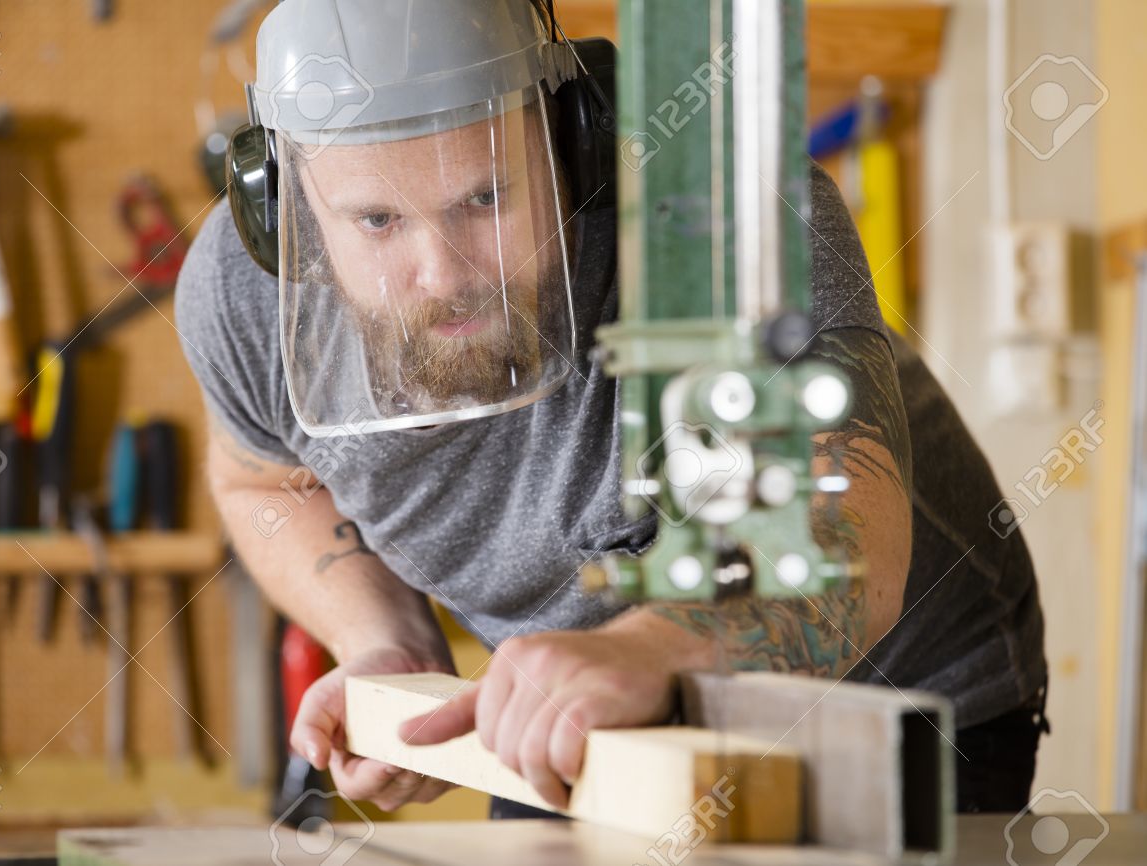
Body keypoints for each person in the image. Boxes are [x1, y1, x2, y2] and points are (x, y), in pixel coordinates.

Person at [175, 0, 1046, 816]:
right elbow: (260, 482)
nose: (442, 274)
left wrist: (657, 648)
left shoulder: (719, 202)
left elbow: (848, 539)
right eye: (375, 221)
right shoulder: (240, 295)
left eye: (484, 198)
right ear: (279, 201)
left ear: (570, 134)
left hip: (881, 698)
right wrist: (382, 638)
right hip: (574, 700)